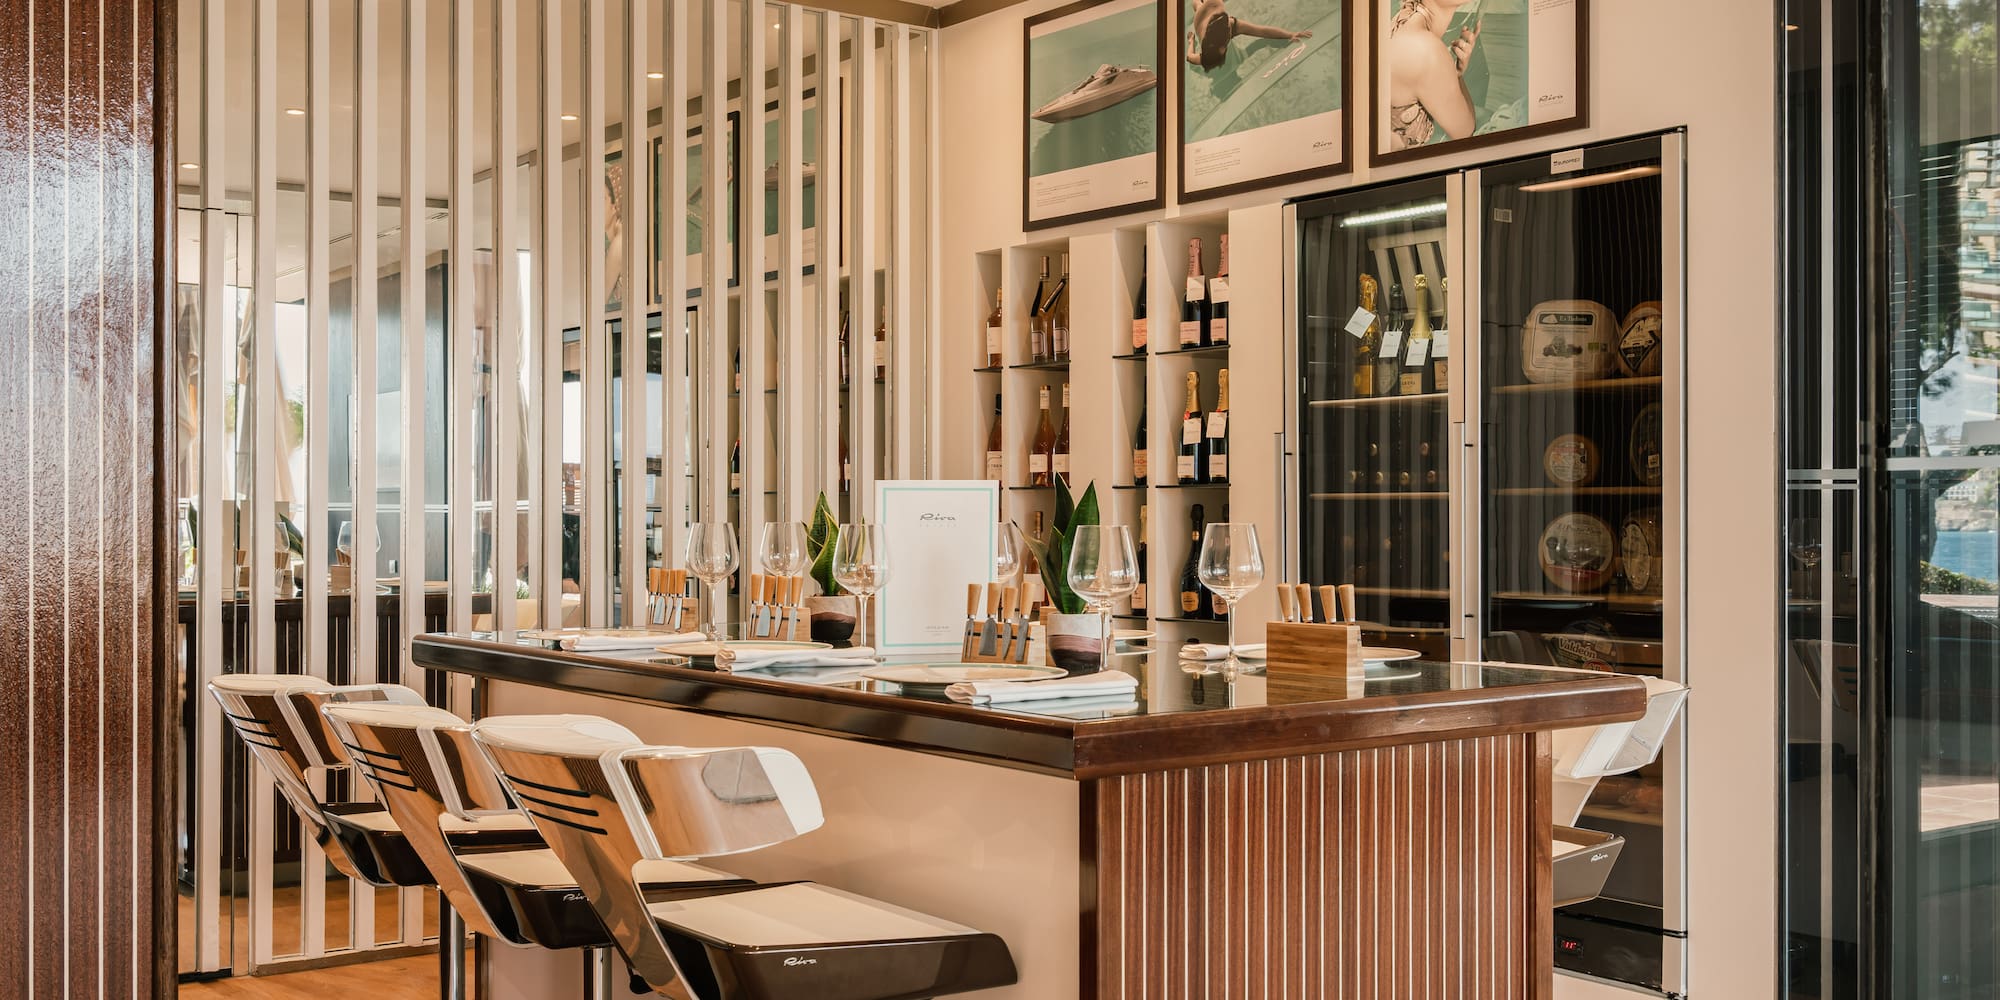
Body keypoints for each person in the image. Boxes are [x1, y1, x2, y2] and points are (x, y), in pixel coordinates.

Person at [1384, 0, 1481, 148]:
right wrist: (1457, 76)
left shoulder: (1404, 19)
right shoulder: (1425, 49)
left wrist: (1453, 73)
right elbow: (1465, 133)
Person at [1185, 0, 1312, 72]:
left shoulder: (1230, 24)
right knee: (1197, 4)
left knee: (1200, 4)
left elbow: (1263, 31)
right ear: (1223, 47)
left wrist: (1290, 34)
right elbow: (1190, 57)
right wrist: (1191, 41)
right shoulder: (1230, 27)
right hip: (1202, 15)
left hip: (1209, 14)